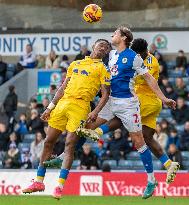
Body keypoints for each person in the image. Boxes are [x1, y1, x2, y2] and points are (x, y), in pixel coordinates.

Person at [45, 37, 179, 195]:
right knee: (145, 139)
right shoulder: (125, 55)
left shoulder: (148, 62)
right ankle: (168, 163)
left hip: (143, 100)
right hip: (143, 101)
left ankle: (96, 135)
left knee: (125, 120)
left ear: (142, 53)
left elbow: (136, 77)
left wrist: (164, 98)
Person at [22, 39, 111, 199]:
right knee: (48, 141)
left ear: (106, 53)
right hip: (62, 105)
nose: (103, 48)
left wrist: (96, 111)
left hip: (81, 106)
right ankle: (39, 181)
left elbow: (106, 94)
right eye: (101, 45)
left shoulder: (103, 68)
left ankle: (59, 186)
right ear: (94, 46)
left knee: (70, 144)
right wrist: (49, 107)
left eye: (106, 48)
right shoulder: (75, 64)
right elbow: (62, 88)